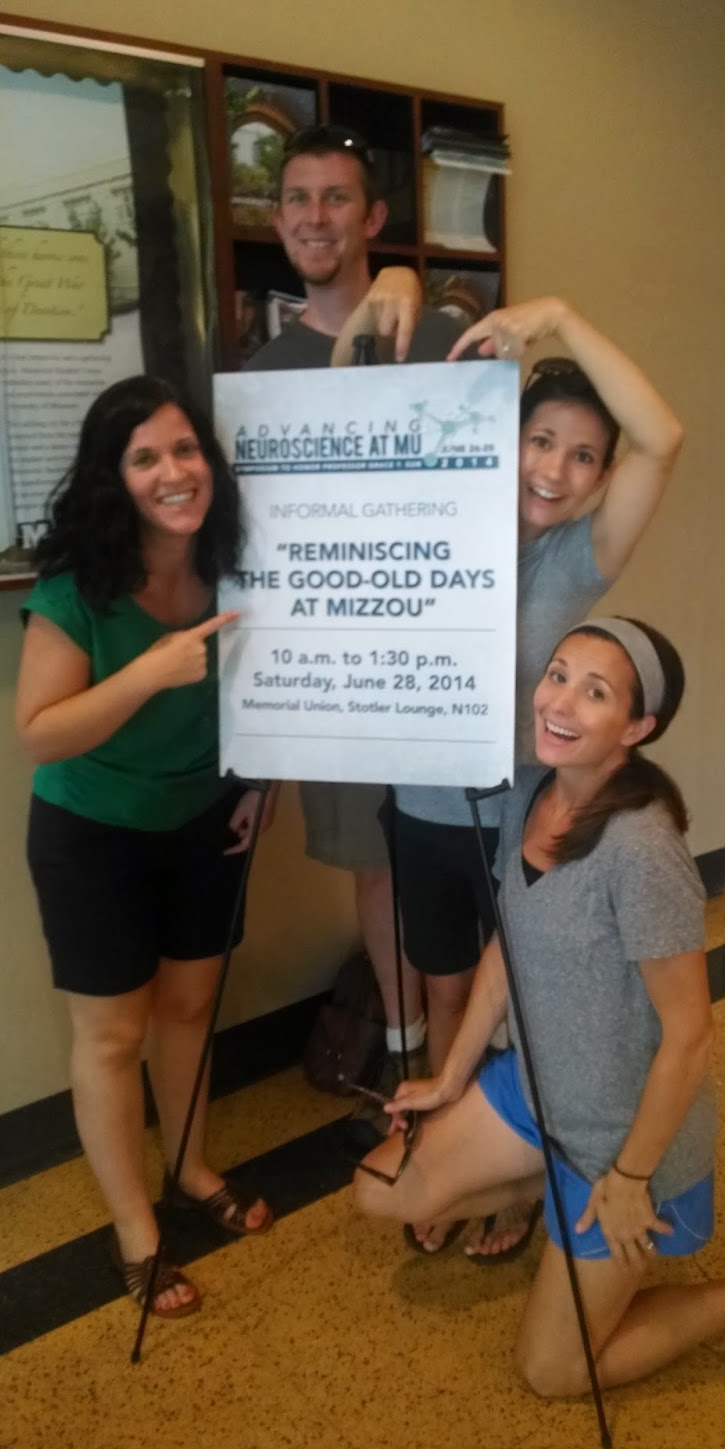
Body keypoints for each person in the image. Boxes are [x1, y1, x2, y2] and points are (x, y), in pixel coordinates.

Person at [354, 617, 725, 1393]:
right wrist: (449, 1079)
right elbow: (506, 946)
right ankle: (546, 1184)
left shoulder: (641, 849)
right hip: (537, 1092)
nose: (559, 702)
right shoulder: (529, 793)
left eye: (595, 692)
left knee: (552, 1370)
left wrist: (628, 1177)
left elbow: (690, 1037)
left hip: (623, 1135)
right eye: (557, 675)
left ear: (636, 727)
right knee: (381, 1187)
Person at [390, 297, 685, 1257]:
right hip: (418, 805)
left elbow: (664, 437)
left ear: (601, 476)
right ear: (505, 440)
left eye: (583, 456)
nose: (554, 470)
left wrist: (557, 315)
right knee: (446, 993)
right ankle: (453, 1157)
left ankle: (518, 1184)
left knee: (523, 1001)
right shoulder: (432, 526)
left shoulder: (578, 558)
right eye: (541, 441)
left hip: (517, 812)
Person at [16, 376, 273, 1319]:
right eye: (145, 458)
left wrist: (261, 785)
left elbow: (269, 686)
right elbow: (39, 733)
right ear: (113, 477)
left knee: (191, 1008)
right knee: (114, 1036)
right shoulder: (74, 587)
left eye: (185, 449)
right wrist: (149, 673)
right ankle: (135, 1227)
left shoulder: (235, 562)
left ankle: (191, 1167)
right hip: (92, 834)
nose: (173, 472)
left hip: (207, 818)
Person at [245, 123, 465, 1081]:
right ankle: (407, 1064)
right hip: (337, 675)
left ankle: (467, 1066)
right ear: (277, 221)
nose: (315, 216)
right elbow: (263, 555)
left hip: (442, 658)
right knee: (377, 868)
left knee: (457, 862)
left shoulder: (448, 344)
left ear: (372, 218)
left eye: (335, 197)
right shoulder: (262, 380)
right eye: (297, 199)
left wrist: (408, 290)